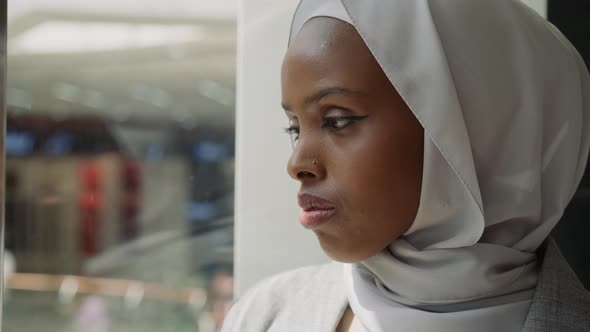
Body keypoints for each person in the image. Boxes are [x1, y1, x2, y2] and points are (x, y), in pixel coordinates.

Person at [222, 0, 590, 331]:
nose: (297, 163)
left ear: (478, 130)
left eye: (337, 120)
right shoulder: (265, 316)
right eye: (294, 127)